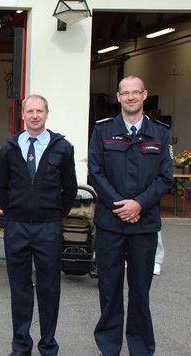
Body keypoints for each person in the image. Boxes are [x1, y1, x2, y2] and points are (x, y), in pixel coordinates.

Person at [89, 75, 172, 356]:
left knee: (140, 293)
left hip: (145, 226)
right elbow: (96, 172)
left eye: (136, 92)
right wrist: (120, 205)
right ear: (118, 96)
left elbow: (165, 178)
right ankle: (109, 348)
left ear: (145, 94)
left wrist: (138, 204)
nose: (131, 97)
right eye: (126, 93)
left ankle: (140, 348)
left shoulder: (160, 133)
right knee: (109, 292)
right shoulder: (102, 131)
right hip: (111, 224)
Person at [0, 94, 77, 356]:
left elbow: (70, 189)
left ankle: (48, 345)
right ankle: (21, 345)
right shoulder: (9, 147)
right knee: (19, 288)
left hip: (48, 227)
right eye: (30, 111)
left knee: (49, 288)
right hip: (17, 227)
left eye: (39, 111)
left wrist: (53, 214)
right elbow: (1, 187)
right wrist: (14, 212)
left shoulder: (62, 147)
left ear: (47, 113)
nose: (34, 115)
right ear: (23, 114)